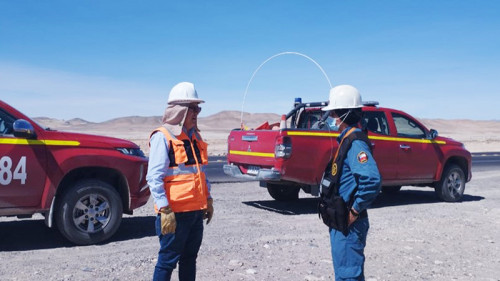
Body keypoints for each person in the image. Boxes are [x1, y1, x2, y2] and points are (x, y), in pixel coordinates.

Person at [146, 81, 214, 281]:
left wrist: (208, 199)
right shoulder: (163, 136)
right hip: (174, 214)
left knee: (189, 259)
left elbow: (201, 173)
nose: (196, 112)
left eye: (197, 108)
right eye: (192, 108)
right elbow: (154, 177)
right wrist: (164, 208)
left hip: (195, 212)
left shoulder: (195, 137)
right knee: (167, 261)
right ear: (179, 111)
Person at [319, 85, 381, 280]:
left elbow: (371, 179)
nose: (331, 118)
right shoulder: (346, 140)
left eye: (333, 113)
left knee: (348, 276)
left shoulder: (355, 143)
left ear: (343, 115)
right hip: (341, 221)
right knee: (346, 273)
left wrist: (354, 210)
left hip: (349, 223)